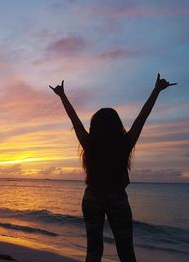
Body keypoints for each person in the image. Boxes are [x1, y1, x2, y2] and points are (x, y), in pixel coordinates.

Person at [49, 74, 177, 262]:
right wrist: (156, 91)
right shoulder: (125, 143)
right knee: (126, 251)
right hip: (117, 198)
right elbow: (142, 117)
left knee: (94, 251)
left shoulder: (89, 144)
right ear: (118, 125)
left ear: (94, 126)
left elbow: (75, 121)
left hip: (92, 197)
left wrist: (63, 96)